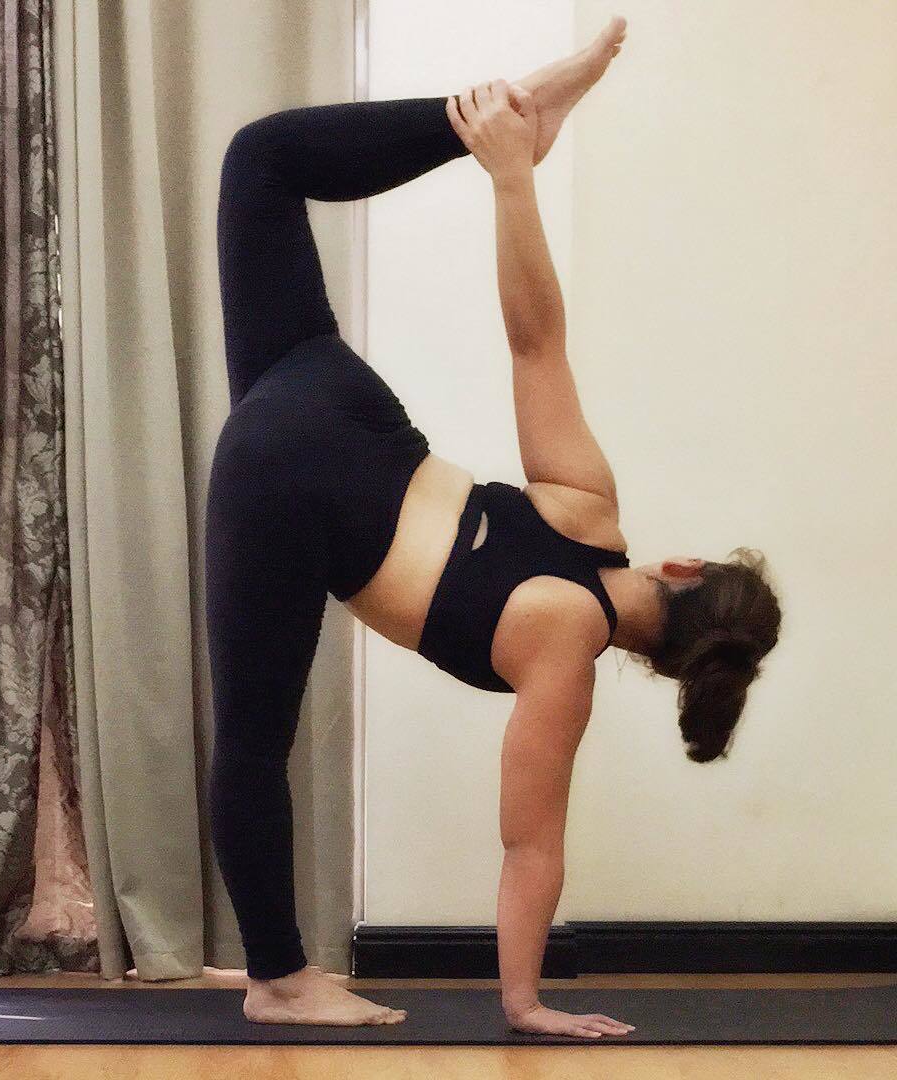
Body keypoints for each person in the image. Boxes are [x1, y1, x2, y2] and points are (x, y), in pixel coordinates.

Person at [205, 15, 782, 1034]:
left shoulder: (590, 509)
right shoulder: (564, 654)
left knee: (262, 161)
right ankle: (279, 978)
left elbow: (533, 340)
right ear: (672, 669)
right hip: (287, 493)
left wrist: (511, 180)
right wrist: (525, 1004)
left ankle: (488, 119)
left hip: (332, 397)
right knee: (252, 743)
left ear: (685, 566)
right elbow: (530, 846)